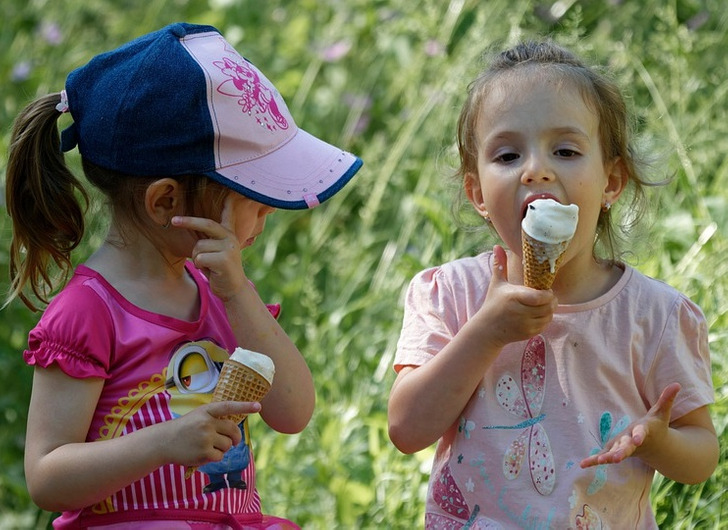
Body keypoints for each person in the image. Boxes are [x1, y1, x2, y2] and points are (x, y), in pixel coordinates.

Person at [6, 22, 362, 529]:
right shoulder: (90, 311)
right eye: (256, 204)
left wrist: (238, 295)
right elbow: (46, 476)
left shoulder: (224, 291)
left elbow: (293, 411)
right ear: (166, 201)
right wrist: (162, 443)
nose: (268, 219)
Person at [387, 40, 718, 528]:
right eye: (507, 155)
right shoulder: (450, 295)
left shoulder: (654, 316)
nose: (535, 169)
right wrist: (485, 332)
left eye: (565, 150)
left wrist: (661, 441)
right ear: (477, 192)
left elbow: (702, 454)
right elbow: (407, 429)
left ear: (611, 182)